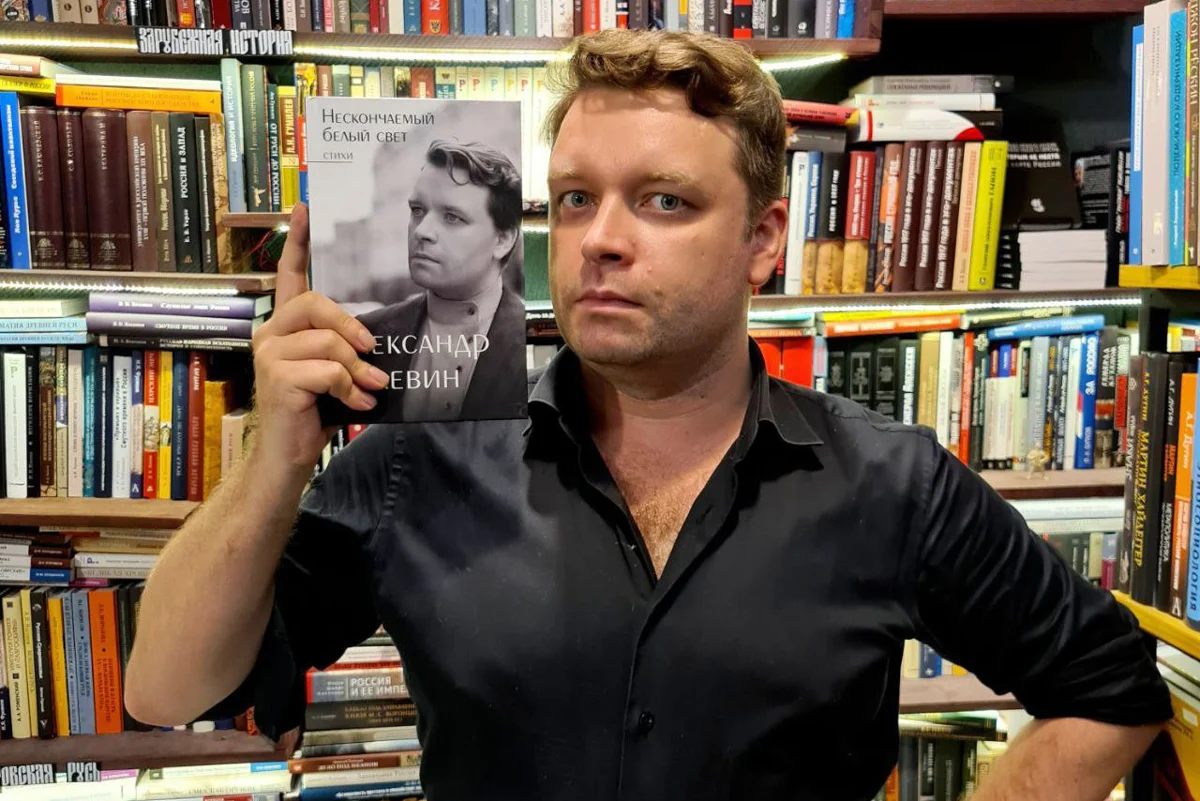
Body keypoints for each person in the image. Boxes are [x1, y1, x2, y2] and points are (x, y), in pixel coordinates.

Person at [125, 29, 1171, 800]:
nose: (600, 240)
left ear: (764, 241)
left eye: (664, 201)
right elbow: (166, 690)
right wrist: (275, 456)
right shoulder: (417, 460)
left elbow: (1111, 689)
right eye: (576, 199)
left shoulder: (892, 483)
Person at [339, 138, 527, 423]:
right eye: (417, 210)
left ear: (502, 239)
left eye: (452, 217)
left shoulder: (532, 340)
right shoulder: (367, 336)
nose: (421, 231)